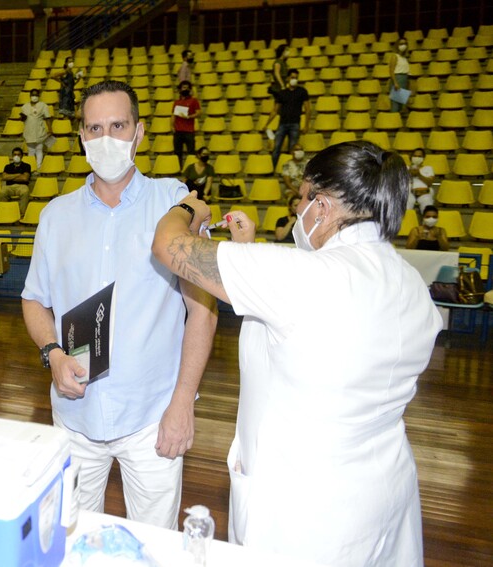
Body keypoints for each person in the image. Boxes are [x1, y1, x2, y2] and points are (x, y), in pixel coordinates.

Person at [152, 140, 441, 566]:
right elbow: (292, 332)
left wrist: (186, 208)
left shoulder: (305, 277)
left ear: (322, 206)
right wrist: (245, 249)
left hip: (304, 510)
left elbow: (167, 246)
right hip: (384, 487)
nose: (298, 209)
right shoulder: (409, 281)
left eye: (303, 198)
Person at [21, 80, 217, 530]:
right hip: (74, 417)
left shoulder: (174, 205)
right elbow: (34, 298)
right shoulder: (55, 215)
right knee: (68, 541)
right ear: (81, 138)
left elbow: (202, 312)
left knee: (153, 548)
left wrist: (183, 402)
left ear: (139, 132)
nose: (106, 137)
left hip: (152, 418)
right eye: (94, 127)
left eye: (118, 125)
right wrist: (51, 351)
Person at [265, 69, 310, 169]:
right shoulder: (282, 93)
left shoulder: (302, 92)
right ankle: (273, 169)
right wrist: (266, 124)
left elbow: (308, 109)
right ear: (288, 78)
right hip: (282, 124)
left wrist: (306, 125)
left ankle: (290, 171)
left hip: (295, 124)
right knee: (276, 148)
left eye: (296, 78)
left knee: (292, 149)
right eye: (293, 77)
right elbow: (275, 110)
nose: (295, 80)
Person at [20, 88, 52, 169]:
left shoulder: (43, 106)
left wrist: (50, 129)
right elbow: (23, 119)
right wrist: (22, 117)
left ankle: (39, 167)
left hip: (39, 130)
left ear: (39, 96)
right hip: (29, 130)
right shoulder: (24, 107)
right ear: (30, 96)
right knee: (31, 151)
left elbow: (47, 118)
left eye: (36, 95)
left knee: (39, 149)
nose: (34, 96)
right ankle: (31, 167)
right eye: (33, 95)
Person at [172, 80, 201, 169]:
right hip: (178, 131)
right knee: (177, 152)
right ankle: (178, 168)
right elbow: (173, 115)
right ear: (180, 89)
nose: (186, 89)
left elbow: (199, 113)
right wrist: (172, 126)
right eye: (184, 87)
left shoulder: (194, 100)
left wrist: (189, 116)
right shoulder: (176, 102)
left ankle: (191, 169)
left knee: (191, 152)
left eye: (188, 87)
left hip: (189, 131)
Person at [0, 147, 32, 215]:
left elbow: (25, 178)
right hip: (9, 187)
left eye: (18, 154)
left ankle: (22, 214)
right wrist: (18, 174)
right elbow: (4, 177)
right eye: (15, 154)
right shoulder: (8, 166)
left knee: (25, 191)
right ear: (12, 156)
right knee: (2, 191)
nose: (16, 156)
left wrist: (10, 177)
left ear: (22, 156)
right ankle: (4, 212)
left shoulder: (26, 166)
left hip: (22, 186)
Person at [52, 56, 83, 125]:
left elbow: (72, 84)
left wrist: (79, 79)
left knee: (72, 115)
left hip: (70, 94)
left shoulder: (71, 73)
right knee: (65, 114)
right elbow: (53, 76)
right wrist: (61, 82)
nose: (71, 63)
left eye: (72, 61)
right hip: (65, 95)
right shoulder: (64, 71)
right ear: (66, 63)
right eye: (69, 61)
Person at [406, 148, 435, 214]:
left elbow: (430, 183)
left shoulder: (428, 168)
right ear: (411, 157)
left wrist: (419, 174)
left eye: (419, 156)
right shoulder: (405, 168)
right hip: (408, 193)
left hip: (424, 194)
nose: (417, 158)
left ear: (423, 158)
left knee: (428, 208)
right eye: (415, 156)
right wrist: (409, 173)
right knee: (405, 209)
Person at [389, 37, 410, 113]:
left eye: (405, 43)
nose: (403, 45)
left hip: (404, 80)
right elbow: (391, 71)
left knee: (401, 105)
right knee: (395, 104)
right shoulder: (395, 56)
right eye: (401, 44)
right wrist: (395, 83)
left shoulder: (404, 58)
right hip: (397, 79)